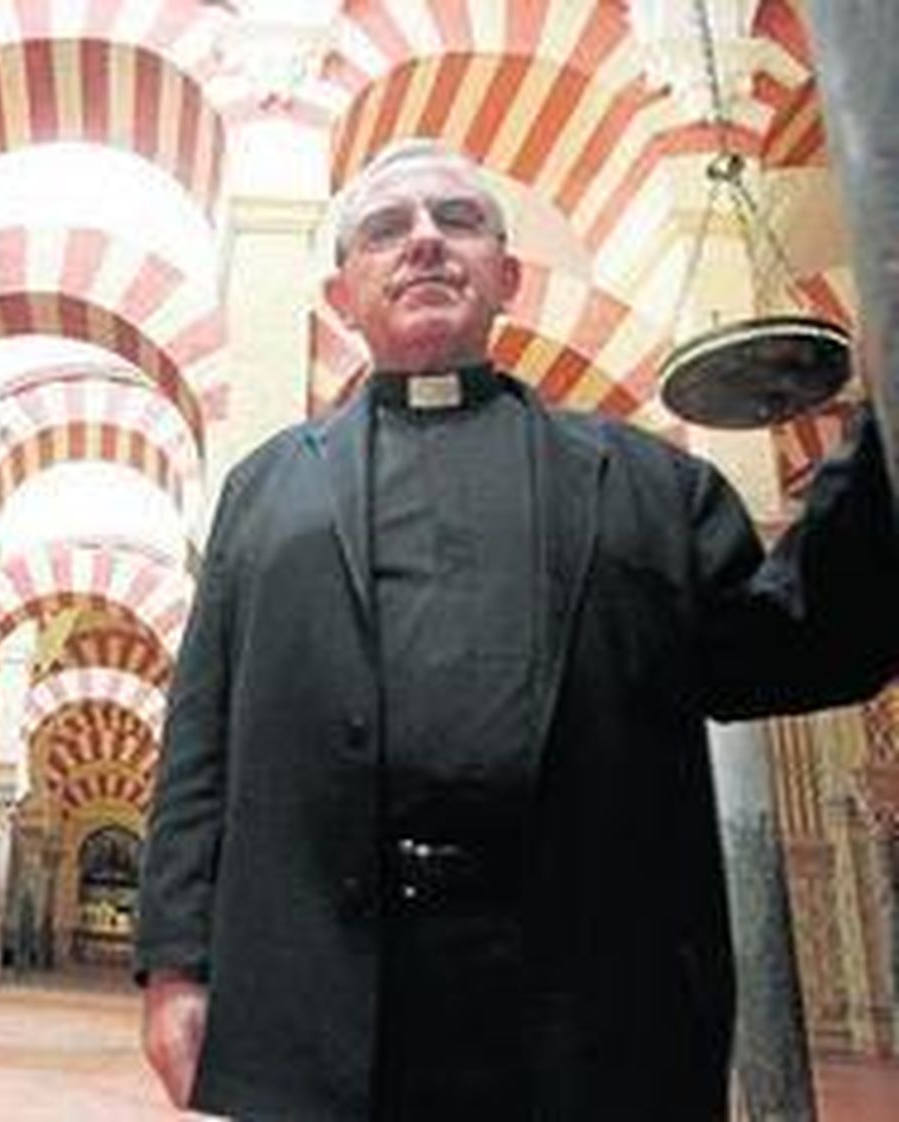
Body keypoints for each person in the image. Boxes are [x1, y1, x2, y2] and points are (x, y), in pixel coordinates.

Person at [134, 139, 899, 1121]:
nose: (422, 243)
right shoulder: (266, 490)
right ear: (342, 291)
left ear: (506, 275)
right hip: (325, 997)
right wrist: (172, 965)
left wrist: (883, 435)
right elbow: (198, 743)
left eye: (456, 221)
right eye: (385, 229)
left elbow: (792, 649)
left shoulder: (645, 485)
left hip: (588, 1006)